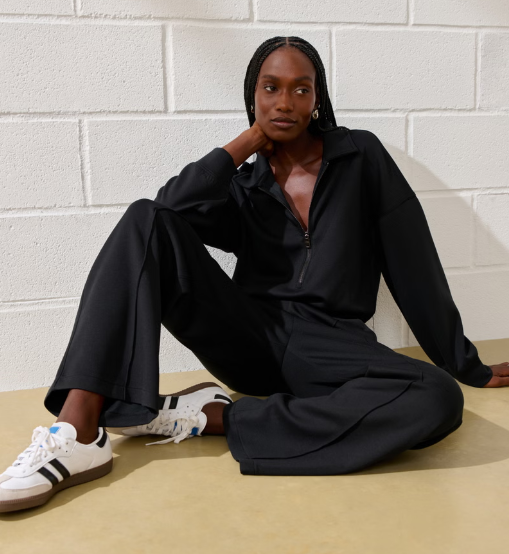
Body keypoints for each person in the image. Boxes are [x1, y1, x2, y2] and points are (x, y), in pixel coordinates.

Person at [2, 36, 508, 514]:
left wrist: (464, 364)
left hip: (333, 347)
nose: (285, 102)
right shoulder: (241, 186)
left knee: (436, 397)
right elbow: (167, 210)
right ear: (254, 97)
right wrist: (245, 143)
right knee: (143, 217)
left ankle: (206, 417)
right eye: (271, 88)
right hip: (252, 338)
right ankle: (78, 430)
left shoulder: (361, 158)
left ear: (317, 100)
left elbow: (413, 262)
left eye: (300, 89)